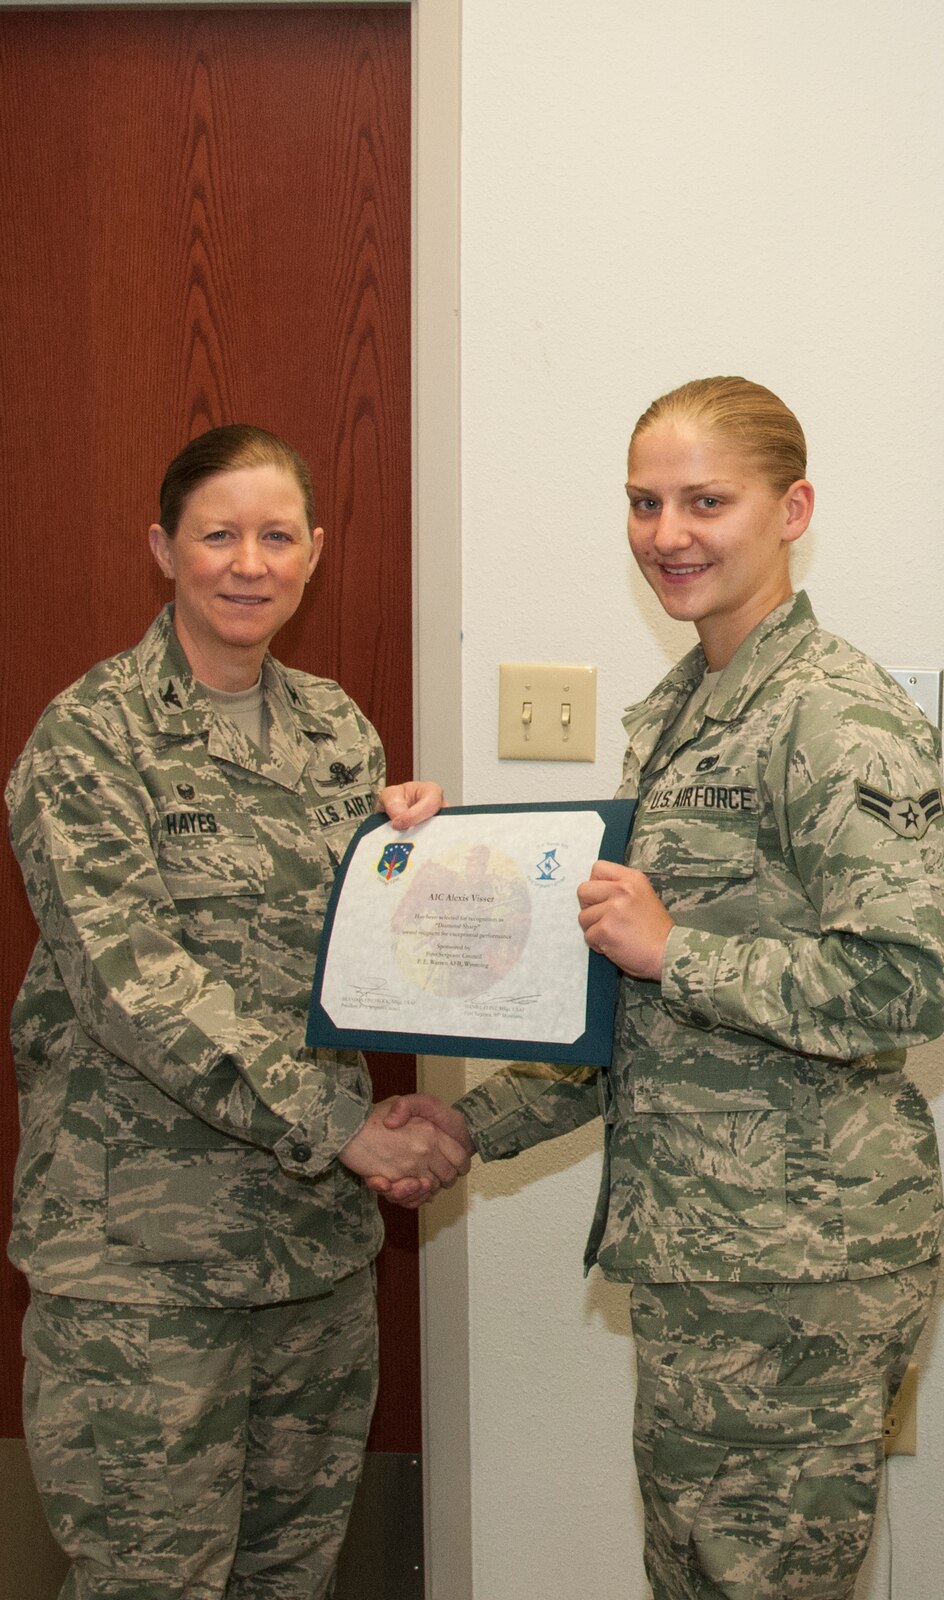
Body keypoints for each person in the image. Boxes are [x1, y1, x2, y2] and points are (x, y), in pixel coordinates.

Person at [390, 376, 944, 1599]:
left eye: (707, 500)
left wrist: (676, 949)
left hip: (799, 1269)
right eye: (645, 502)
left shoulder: (835, 715)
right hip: (707, 1257)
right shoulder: (680, 715)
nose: (667, 534)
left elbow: (903, 987)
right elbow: (627, 1011)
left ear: (791, 508)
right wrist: (467, 1124)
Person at [7, 424, 467, 1598]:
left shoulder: (337, 734)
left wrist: (439, 867)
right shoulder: (90, 739)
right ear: (164, 547)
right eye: (217, 534)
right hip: (143, 1273)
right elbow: (135, 988)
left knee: (289, 1576)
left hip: (310, 1259)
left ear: (314, 551)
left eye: (275, 535)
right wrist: (347, 1128)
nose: (246, 562)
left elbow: (362, 967)